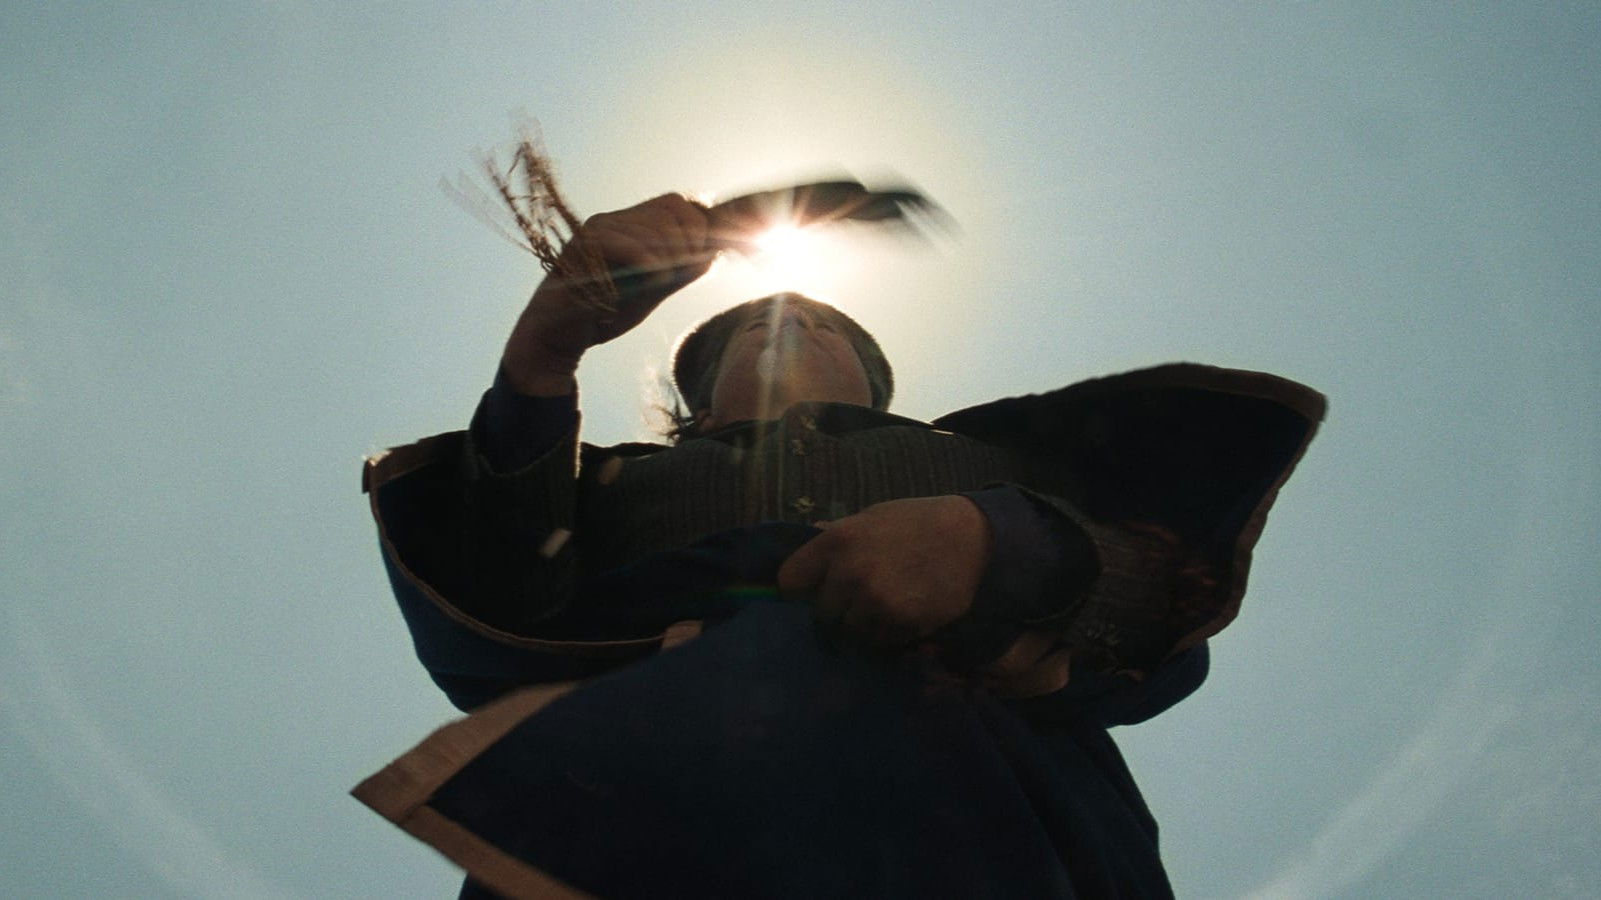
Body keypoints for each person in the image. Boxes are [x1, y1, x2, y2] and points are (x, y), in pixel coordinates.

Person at [354, 194, 1326, 898]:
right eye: (750, 330)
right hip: (639, 807)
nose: (795, 324)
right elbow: (496, 599)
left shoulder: (990, 465)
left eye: (826, 325)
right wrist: (541, 354)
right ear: (696, 402)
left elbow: (1161, 607)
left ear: (876, 386)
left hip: (994, 813)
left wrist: (998, 542)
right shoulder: (603, 486)